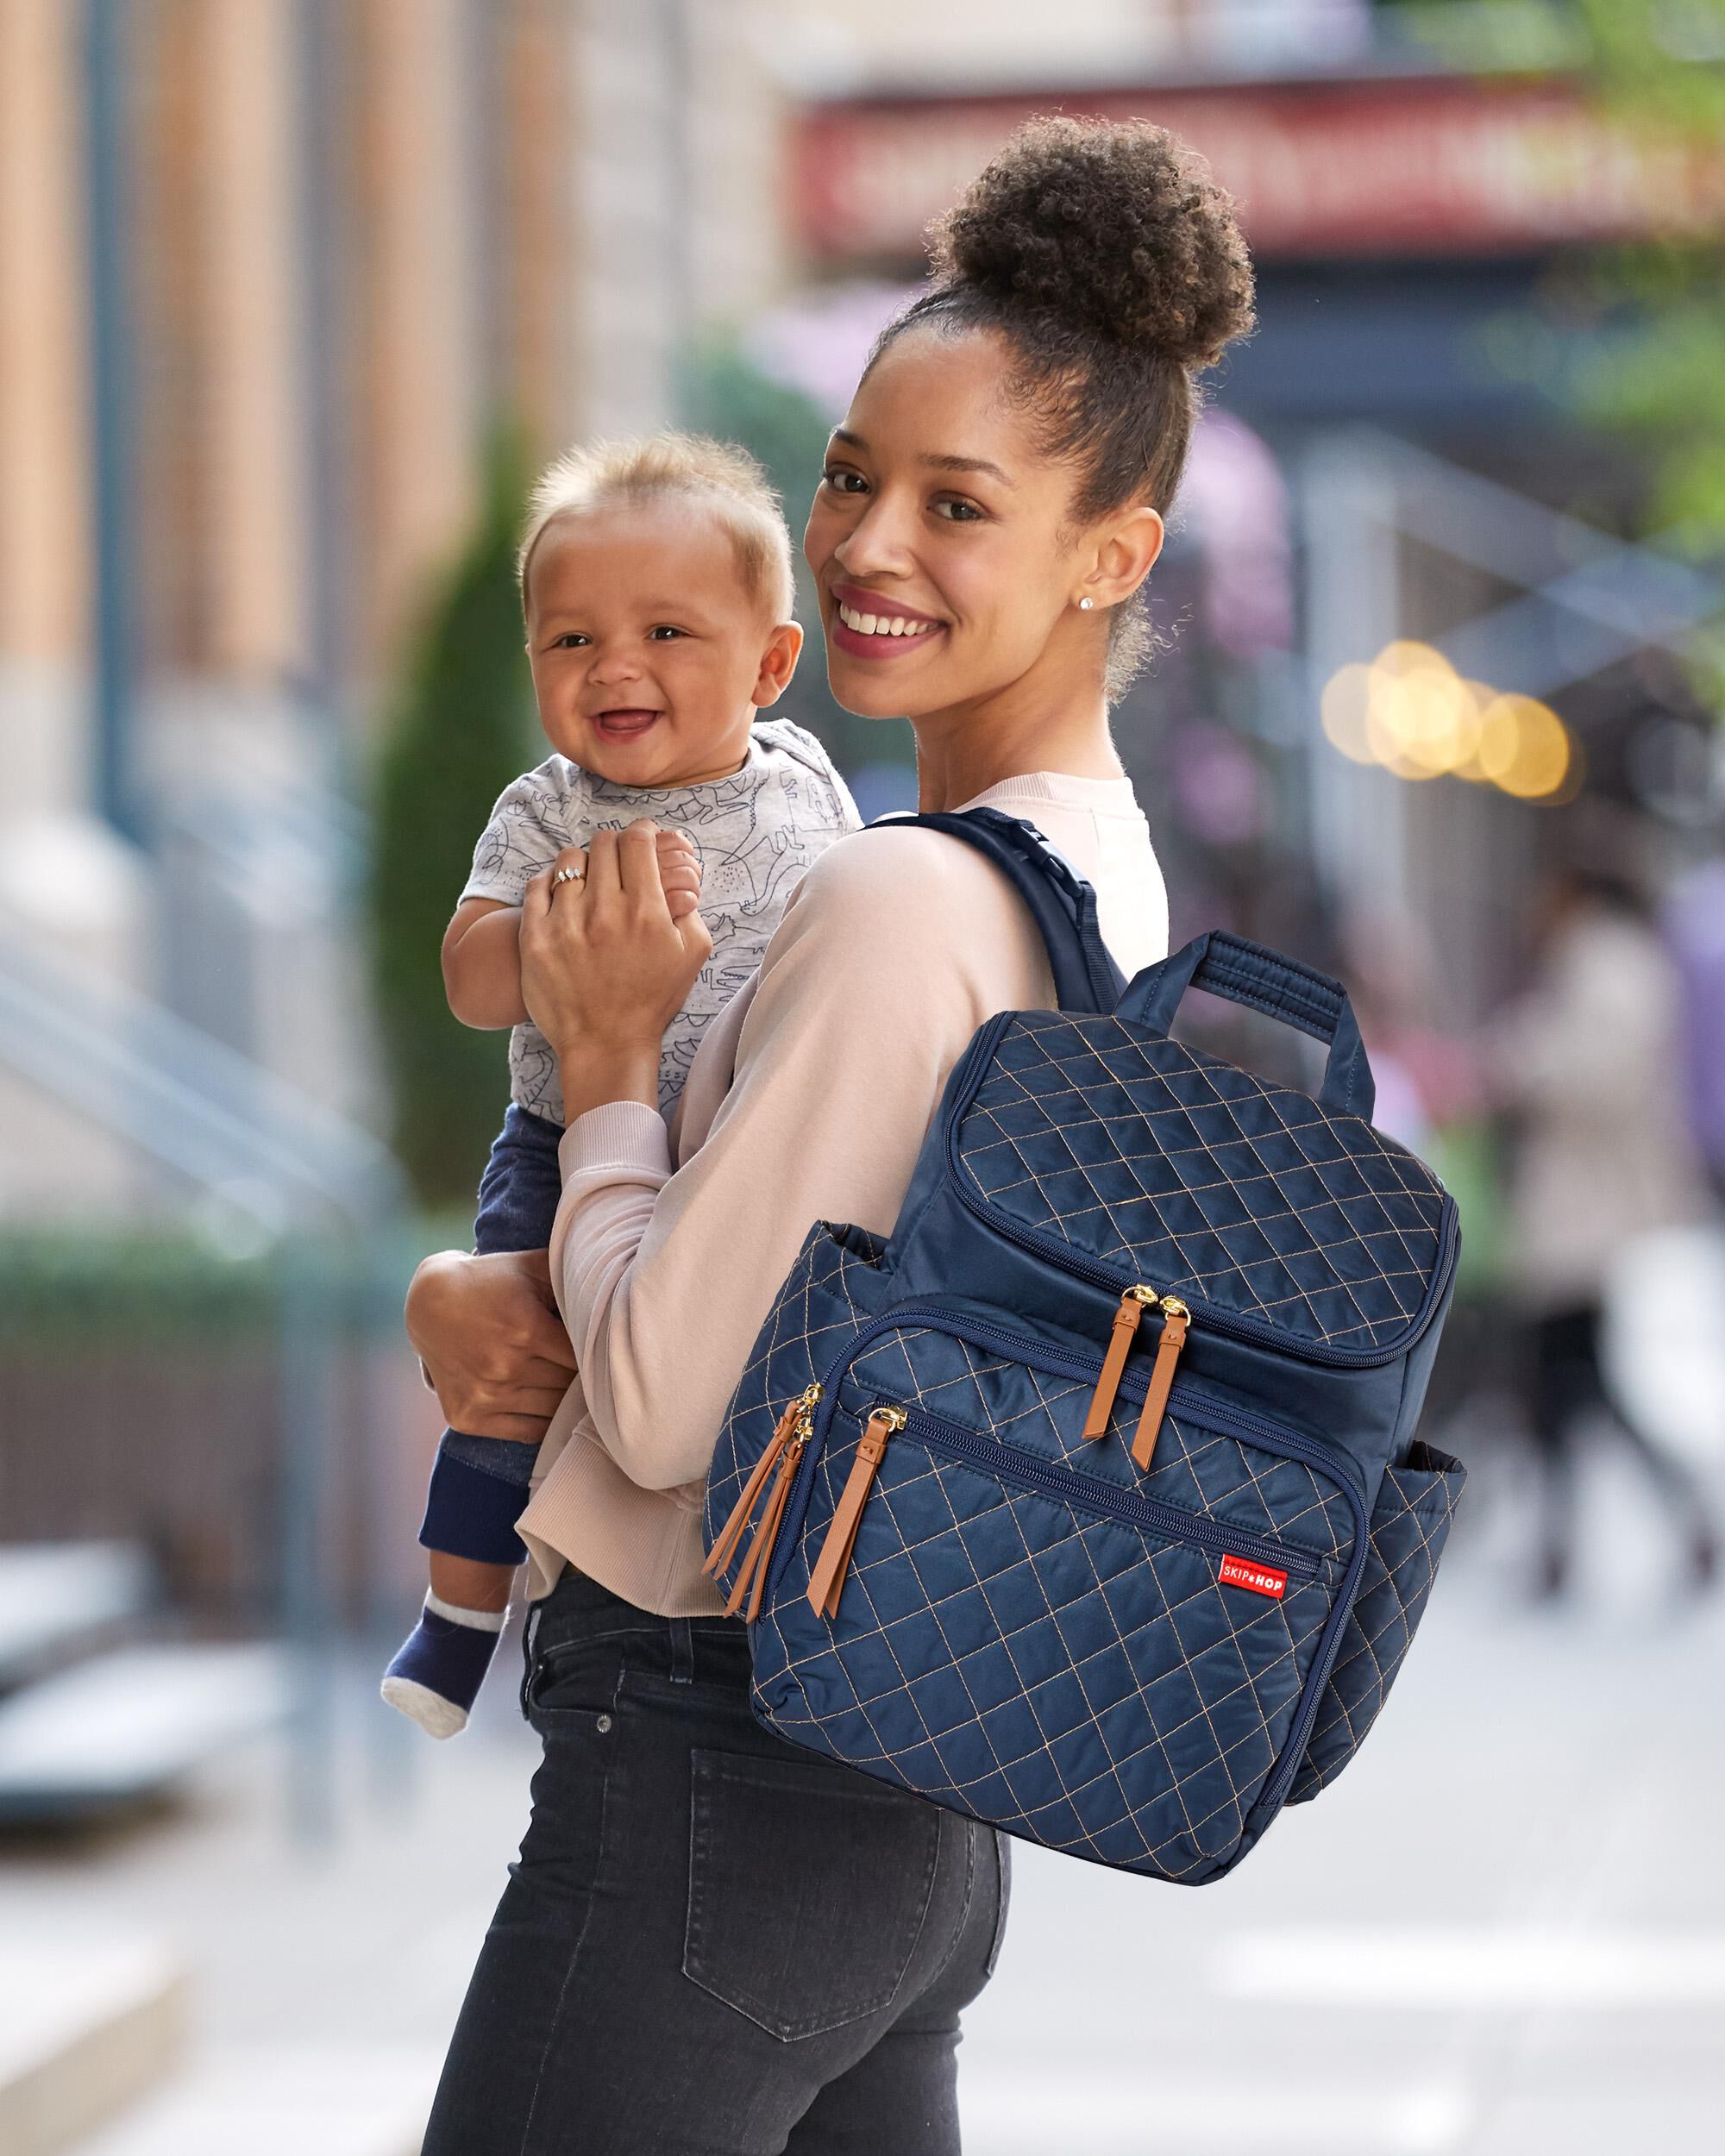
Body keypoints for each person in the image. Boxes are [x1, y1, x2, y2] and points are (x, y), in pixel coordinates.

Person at [406, 117, 1255, 2153]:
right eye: (853, 476)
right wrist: (491, 1285)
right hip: (894, 1799)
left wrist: (609, 1064)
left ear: (1110, 553)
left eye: (958, 504)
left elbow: (665, 1398)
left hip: (717, 1774)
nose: (871, 545)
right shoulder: (1089, 863)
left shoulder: (896, 901)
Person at [383, 432, 859, 1736]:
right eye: (572, 640)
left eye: (665, 632)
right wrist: (563, 924)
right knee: (509, 1370)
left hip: (738, 1141)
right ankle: (459, 1611)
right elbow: (468, 979)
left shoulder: (808, 786)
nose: (615, 666)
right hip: (560, 1139)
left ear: (768, 664)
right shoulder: (546, 811)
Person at [1488, 865, 1719, 1598]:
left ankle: (1577, 1544)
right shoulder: (1611, 960)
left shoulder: (1608, 963)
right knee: (1571, 1387)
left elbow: (1601, 1073)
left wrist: (1519, 1062)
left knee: (1580, 1384)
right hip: (1586, 1213)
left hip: (1590, 1216)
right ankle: (1570, 1544)